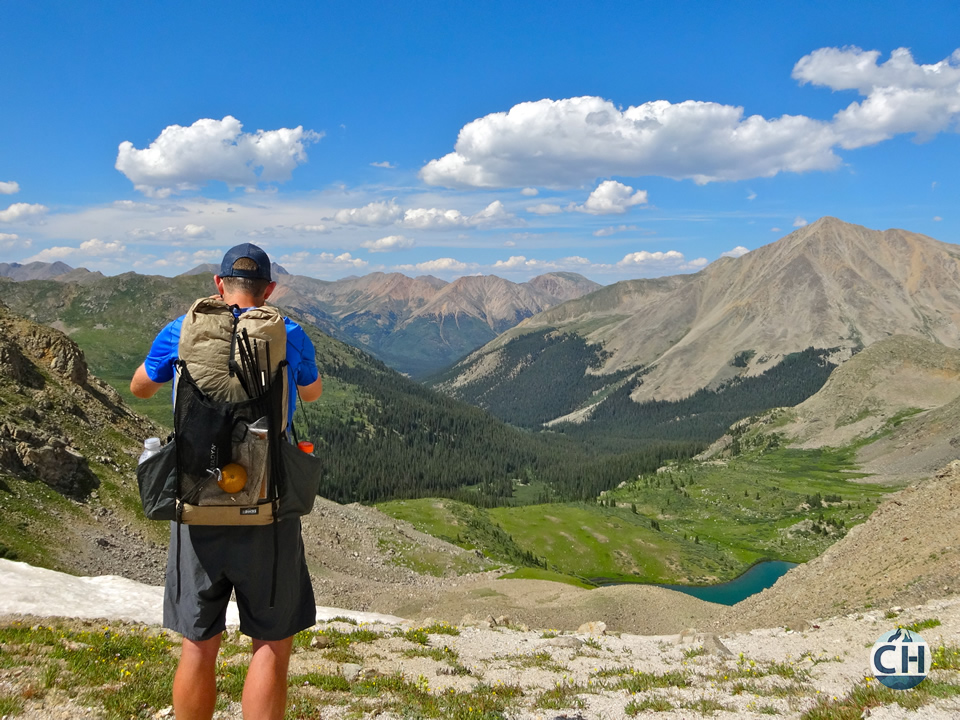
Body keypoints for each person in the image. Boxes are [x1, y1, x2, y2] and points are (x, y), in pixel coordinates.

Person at [130, 243, 323, 720]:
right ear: (269, 289)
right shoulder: (288, 332)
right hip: (268, 504)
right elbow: (312, 393)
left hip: (197, 500)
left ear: (218, 286)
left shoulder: (182, 329)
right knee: (271, 646)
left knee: (197, 645)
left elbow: (140, 386)